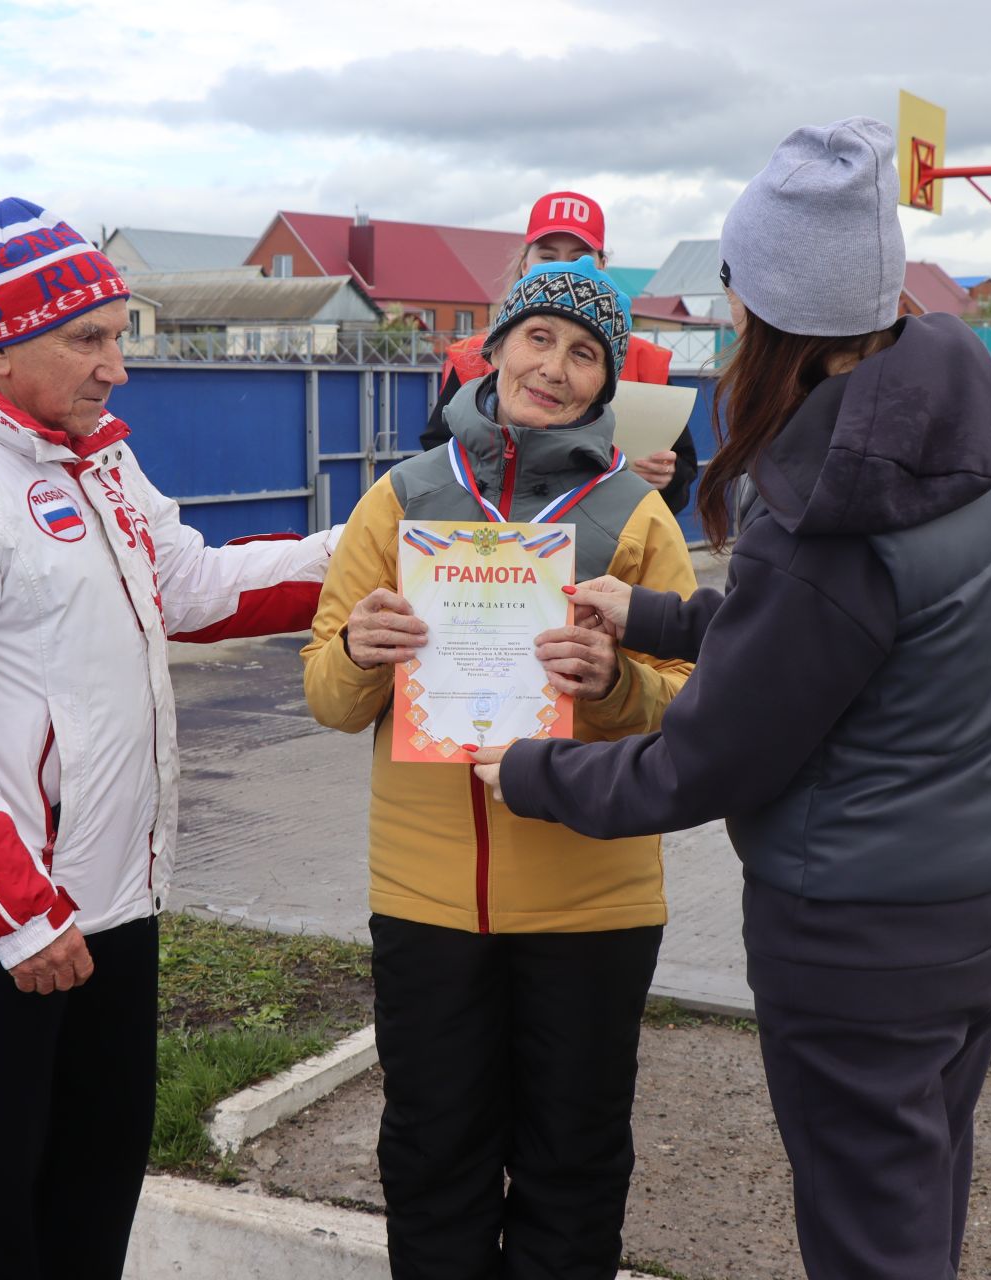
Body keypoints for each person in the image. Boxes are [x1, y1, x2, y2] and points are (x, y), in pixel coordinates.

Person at [471, 118, 991, 1279]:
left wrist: (533, 771)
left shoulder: (830, 521)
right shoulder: (990, 426)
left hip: (862, 941)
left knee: (868, 1244)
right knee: (918, 1199)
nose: (731, 323)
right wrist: (648, 614)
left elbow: (705, 760)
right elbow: (849, 644)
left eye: (739, 300)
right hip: (987, 902)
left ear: (774, 312)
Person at [0, 198, 340, 1280]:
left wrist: (370, 549)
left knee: (91, 1197)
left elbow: (192, 586)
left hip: (111, 903)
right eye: (91, 339)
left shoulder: (92, 457)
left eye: (121, 334)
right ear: (2, 344)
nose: (119, 366)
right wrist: (19, 915)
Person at [303, 254, 696, 1278]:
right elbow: (328, 695)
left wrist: (613, 683)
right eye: (539, 338)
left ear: (609, 382)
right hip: (427, 898)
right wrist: (358, 653)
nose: (555, 369)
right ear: (496, 345)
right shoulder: (401, 500)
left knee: (573, 1165)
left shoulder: (636, 518)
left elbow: (690, 706)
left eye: (583, 354)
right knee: (434, 1158)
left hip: (592, 904)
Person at [417, 191, 699, 513]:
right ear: (525, 265)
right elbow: (437, 457)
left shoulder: (645, 362)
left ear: (602, 267)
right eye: (548, 257)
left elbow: (682, 471)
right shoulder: (473, 357)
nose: (564, 267)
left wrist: (666, 478)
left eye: (580, 255)